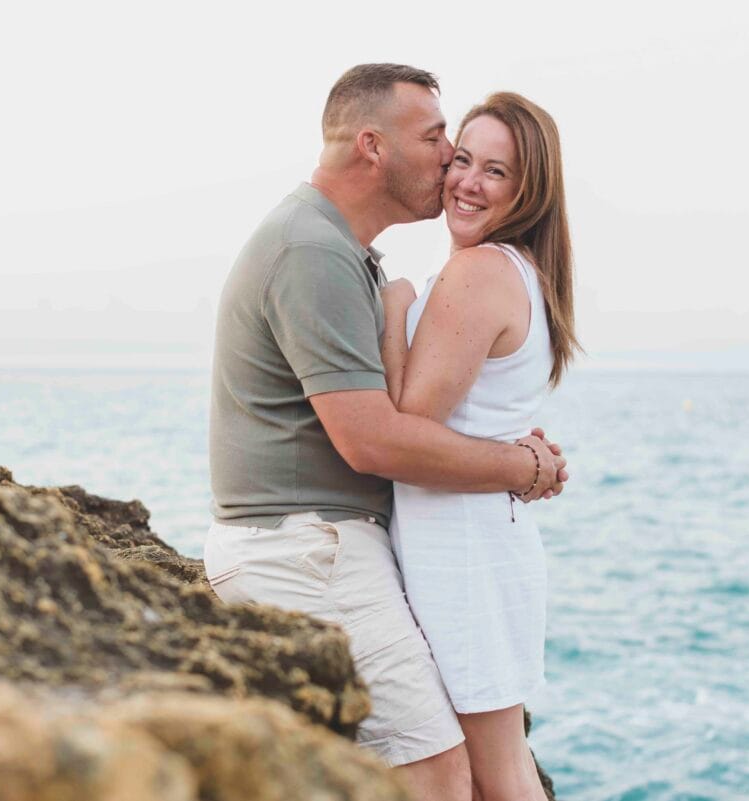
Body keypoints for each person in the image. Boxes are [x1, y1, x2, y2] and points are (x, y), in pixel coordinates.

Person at [203, 64, 569, 801]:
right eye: (437, 140)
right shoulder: (313, 249)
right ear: (373, 146)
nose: (449, 159)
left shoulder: (345, 252)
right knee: (441, 773)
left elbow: (401, 418)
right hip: (306, 546)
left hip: (341, 542)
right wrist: (519, 466)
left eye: (489, 166)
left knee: (465, 768)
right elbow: (375, 440)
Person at [379, 91, 580, 801]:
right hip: (475, 541)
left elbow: (405, 423)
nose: (467, 182)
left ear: (530, 190)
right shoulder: (518, 270)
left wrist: (395, 307)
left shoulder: (481, 271)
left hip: (462, 553)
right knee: (490, 766)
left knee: (499, 773)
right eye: (462, 159)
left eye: (496, 171)